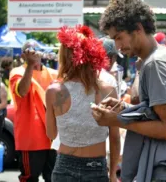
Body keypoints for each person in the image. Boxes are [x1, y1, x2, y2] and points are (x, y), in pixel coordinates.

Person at [92, 0, 166, 182]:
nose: (118, 47)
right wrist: (126, 110)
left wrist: (117, 120)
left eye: (119, 38)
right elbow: (157, 114)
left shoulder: (156, 64)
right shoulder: (154, 59)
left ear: (138, 28)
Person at [45, 25, 121, 182]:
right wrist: (113, 173)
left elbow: (51, 135)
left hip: (64, 166)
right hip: (96, 167)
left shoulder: (54, 91)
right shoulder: (108, 91)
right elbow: (114, 138)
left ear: (64, 58)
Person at [9, 40, 57, 182]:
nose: (34, 53)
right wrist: (30, 66)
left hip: (53, 137)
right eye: (29, 51)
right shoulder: (17, 72)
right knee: (29, 178)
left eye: (36, 50)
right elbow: (22, 91)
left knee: (54, 178)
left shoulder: (53, 74)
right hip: (31, 137)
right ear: (23, 55)